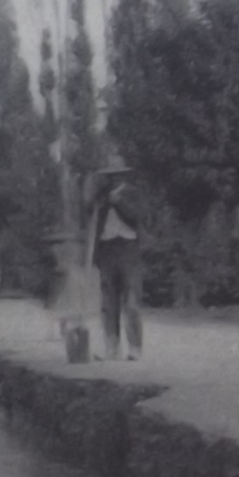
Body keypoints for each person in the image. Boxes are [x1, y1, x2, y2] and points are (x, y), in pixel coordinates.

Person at [86, 155, 146, 362]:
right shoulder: (101, 196)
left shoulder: (133, 193)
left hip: (128, 248)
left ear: (123, 175)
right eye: (108, 176)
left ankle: (135, 348)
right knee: (108, 302)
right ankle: (112, 348)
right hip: (106, 250)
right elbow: (91, 218)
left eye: (115, 175)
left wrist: (118, 203)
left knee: (131, 301)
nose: (112, 179)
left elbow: (137, 217)